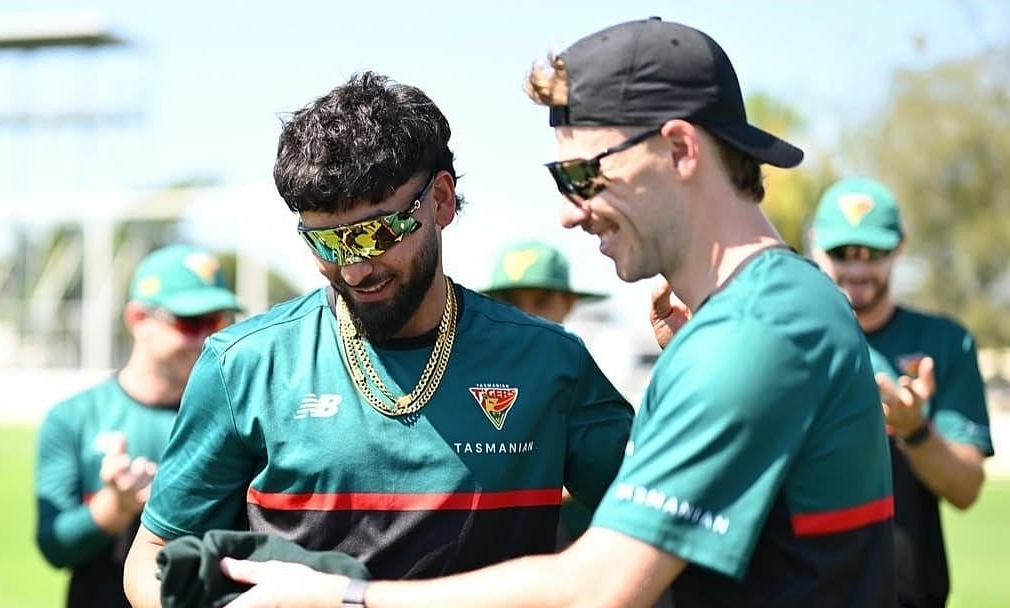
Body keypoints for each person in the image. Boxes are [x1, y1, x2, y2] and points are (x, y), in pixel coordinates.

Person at [207, 17, 897, 608]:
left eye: (583, 175)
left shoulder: (750, 336)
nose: (569, 212)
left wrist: (346, 596)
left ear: (681, 148)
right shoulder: (761, 315)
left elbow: (598, 588)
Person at [123, 72, 634, 607]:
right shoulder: (243, 364)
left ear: (440, 200)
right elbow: (153, 555)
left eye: (376, 233)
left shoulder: (551, 362)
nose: (355, 267)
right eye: (325, 241)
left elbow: (656, 533)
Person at [809, 176, 994, 608]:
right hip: (802, 590)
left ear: (900, 248)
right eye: (842, 253)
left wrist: (914, 431)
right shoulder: (784, 338)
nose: (857, 268)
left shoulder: (945, 342)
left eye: (873, 253)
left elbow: (966, 490)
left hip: (908, 593)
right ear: (815, 245)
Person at [35, 243, 242, 608]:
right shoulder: (74, 417)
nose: (206, 339)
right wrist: (116, 505)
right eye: (191, 322)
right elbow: (55, 546)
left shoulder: (237, 415)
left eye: (219, 321)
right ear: (138, 319)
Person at [482, 239, 606, 548]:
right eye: (511, 301)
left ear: (569, 304)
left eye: (541, 300)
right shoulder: (466, 378)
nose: (526, 314)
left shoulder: (583, 375)